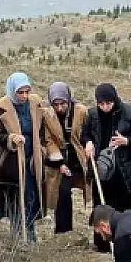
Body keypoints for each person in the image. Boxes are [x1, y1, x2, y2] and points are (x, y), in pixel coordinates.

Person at [81, 83, 131, 252]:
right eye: (101, 104)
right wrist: (88, 142)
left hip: (126, 170)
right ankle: (104, 244)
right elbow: (86, 134)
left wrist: (126, 141)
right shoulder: (92, 115)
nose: (105, 107)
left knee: (127, 208)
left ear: (115, 100)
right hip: (104, 169)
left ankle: (129, 244)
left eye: (108, 103)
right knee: (104, 206)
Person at [0, 72, 54, 243]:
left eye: (27, 91)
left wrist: (41, 147)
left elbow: (42, 128)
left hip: (32, 158)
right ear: (13, 90)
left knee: (31, 195)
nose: (24, 96)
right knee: (16, 196)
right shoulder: (1, 107)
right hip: (11, 160)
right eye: (20, 92)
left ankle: (31, 231)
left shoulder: (35, 103)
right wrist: (12, 138)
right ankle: (18, 232)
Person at [43, 81, 90, 234]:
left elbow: (87, 132)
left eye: (63, 103)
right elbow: (49, 140)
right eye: (56, 104)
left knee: (90, 189)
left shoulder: (81, 111)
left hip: (79, 158)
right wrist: (60, 163)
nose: (60, 108)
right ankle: (63, 230)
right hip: (60, 159)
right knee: (62, 192)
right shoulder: (48, 115)